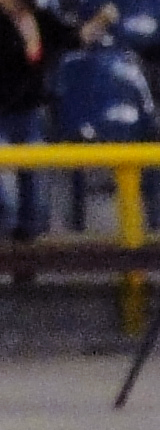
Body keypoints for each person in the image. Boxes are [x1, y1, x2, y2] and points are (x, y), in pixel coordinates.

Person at [1, 0, 109, 248]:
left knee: (35, 198)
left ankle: (26, 262)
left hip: (29, 114)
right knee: (6, 198)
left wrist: (102, 20)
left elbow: (75, 38)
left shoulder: (41, 18)